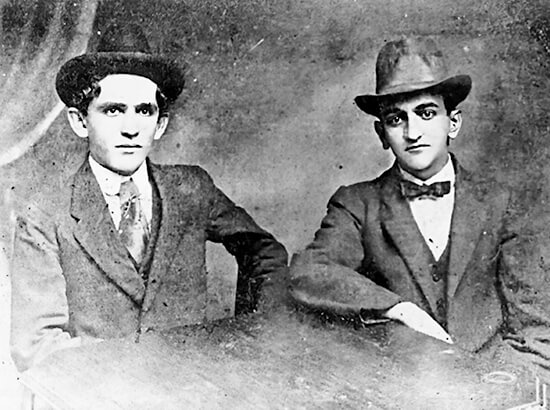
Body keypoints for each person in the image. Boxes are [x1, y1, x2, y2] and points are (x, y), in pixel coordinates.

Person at [10, 24, 288, 372]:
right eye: (113, 110)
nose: (131, 128)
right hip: (98, 392)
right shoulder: (45, 214)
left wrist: (251, 337)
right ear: (80, 121)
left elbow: (266, 253)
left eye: (144, 111)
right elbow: (35, 347)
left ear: (160, 125)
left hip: (193, 386)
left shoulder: (191, 188)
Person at [289, 37, 515, 351]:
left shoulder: (502, 203)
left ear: (453, 123)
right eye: (396, 119)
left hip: (491, 375)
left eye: (426, 113)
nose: (412, 133)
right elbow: (309, 270)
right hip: (401, 375)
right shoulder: (356, 204)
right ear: (382, 133)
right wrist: (398, 309)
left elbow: (536, 326)